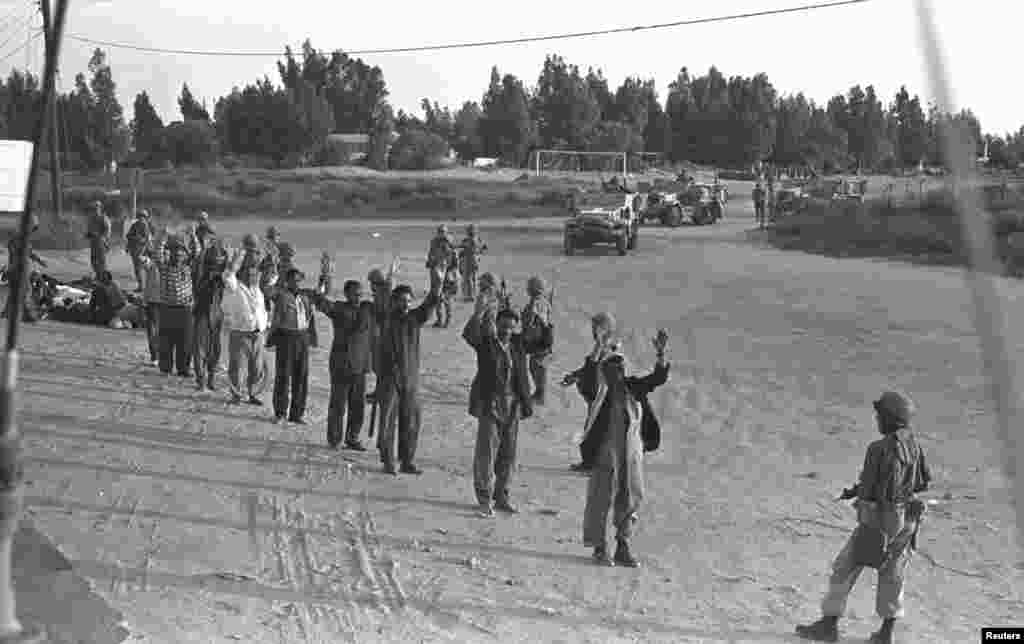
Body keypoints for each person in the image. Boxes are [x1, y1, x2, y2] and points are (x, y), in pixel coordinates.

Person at [795, 391, 931, 644]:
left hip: (881, 520)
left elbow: (869, 490)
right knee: (893, 575)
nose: (877, 419)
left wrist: (860, 496)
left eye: (880, 415)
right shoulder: (914, 444)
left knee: (844, 568)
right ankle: (885, 634)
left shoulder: (878, 448)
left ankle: (829, 625)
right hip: (907, 519)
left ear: (891, 419)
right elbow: (922, 481)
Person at [565, 327, 670, 567]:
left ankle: (623, 545)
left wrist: (661, 354)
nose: (618, 372)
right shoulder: (598, 393)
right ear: (605, 372)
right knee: (600, 500)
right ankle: (600, 548)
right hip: (605, 455)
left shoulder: (633, 388)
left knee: (631, 498)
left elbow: (657, 378)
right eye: (612, 368)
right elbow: (589, 376)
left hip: (630, 455)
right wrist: (598, 348)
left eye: (621, 368)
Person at [464, 304, 548, 516]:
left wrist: (545, 323)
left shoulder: (518, 345)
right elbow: (469, 334)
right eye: (503, 326)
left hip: (513, 405)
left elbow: (543, 344)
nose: (506, 331)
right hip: (491, 404)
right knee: (486, 453)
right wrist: (478, 314)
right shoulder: (486, 344)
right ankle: (484, 498)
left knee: (508, 454)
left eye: (511, 327)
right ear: (496, 325)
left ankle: (502, 496)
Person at [375, 266, 443, 475]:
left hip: (411, 377)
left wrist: (437, 285)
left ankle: (407, 461)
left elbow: (431, 303)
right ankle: (388, 460)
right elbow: (382, 305)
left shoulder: (414, 318)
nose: (405, 304)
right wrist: (388, 283)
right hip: (390, 378)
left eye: (408, 300)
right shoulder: (387, 318)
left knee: (411, 421)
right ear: (394, 302)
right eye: (401, 300)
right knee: (388, 421)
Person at [314, 279, 374, 450]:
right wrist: (323, 280)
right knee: (338, 404)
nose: (358, 296)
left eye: (360, 293)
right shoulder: (339, 309)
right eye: (355, 293)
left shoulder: (367, 309)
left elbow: (384, 305)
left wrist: (385, 283)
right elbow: (321, 302)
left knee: (358, 405)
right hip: (341, 364)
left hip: (360, 365)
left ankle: (352, 438)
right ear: (346, 294)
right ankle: (334, 439)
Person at [563, 312, 620, 472]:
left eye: (596, 327)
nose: (593, 331)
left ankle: (593, 464)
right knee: (594, 429)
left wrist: (579, 376)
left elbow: (595, 368)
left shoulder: (609, 348)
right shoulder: (601, 346)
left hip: (604, 398)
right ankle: (590, 462)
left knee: (598, 430)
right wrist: (575, 376)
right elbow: (588, 369)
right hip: (596, 398)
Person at [266, 267, 318, 424]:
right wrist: (273, 276)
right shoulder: (281, 294)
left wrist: (324, 274)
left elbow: (322, 292)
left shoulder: (305, 294)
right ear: (287, 281)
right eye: (293, 280)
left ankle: (297, 414)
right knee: (283, 376)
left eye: (298, 280)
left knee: (301, 377)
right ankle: (280, 413)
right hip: (286, 337)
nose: (296, 283)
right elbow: (267, 290)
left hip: (302, 337)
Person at [222, 247, 269, 406]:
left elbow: (273, 277)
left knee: (257, 367)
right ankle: (236, 395)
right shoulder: (234, 287)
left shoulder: (258, 289)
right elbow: (228, 275)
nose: (252, 276)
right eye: (249, 274)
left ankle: (252, 394)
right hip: (240, 334)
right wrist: (235, 262)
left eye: (255, 274)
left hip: (258, 334)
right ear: (242, 274)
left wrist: (272, 260)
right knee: (237, 367)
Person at [154, 234, 195, 377]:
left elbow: (196, 253)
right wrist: (162, 237)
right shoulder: (164, 268)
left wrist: (193, 236)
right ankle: (165, 368)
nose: (177, 255)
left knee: (185, 341)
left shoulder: (188, 268)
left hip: (185, 309)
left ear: (184, 255)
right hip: (167, 308)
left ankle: (183, 369)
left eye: (180, 252)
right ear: (170, 254)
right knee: (166, 340)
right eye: (174, 252)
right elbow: (157, 255)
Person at [192, 237, 228, 391]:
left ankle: (210, 379)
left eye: (218, 262)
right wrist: (204, 249)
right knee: (200, 348)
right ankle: (201, 379)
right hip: (203, 313)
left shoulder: (221, 277)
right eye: (213, 262)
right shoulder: (201, 275)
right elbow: (198, 264)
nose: (216, 265)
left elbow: (232, 269)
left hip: (217, 315)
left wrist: (226, 252)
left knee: (214, 349)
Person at [3, 215, 47, 320]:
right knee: (25, 290)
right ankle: (28, 315)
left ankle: (6, 314)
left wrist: (39, 260)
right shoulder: (18, 238)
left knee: (16, 292)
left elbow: (29, 252)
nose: (33, 231)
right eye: (33, 228)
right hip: (18, 268)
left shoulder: (23, 237)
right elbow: (15, 253)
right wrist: (11, 268)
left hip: (19, 267)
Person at [521, 276, 554, 406]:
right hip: (544, 338)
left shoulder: (534, 303)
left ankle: (541, 394)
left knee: (536, 366)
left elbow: (530, 319)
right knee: (538, 366)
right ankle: (540, 393)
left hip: (538, 339)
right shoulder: (544, 302)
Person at [425, 224, 456, 327]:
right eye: (440, 232)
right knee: (437, 297)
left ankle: (447, 320)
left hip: (446, 274)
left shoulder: (448, 242)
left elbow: (452, 258)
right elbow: (431, 254)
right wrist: (430, 261)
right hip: (437, 272)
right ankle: (440, 320)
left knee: (446, 298)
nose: (442, 234)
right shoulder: (434, 242)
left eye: (443, 232)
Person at [140, 246, 162, 366]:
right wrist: (146, 246)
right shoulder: (151, 265)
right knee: (152, 330)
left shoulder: (168, 266)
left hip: (164, 302)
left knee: (159, 331)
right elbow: (141, 258)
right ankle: (155, 356)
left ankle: (159, 356)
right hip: (152, 302)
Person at [125, 209, 153, 292]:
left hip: (142, 250)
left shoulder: (146, 226)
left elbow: (147, 239)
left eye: (143, 216)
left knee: (146, 269)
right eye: (140, 216)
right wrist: (128, 247)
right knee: (137, 269)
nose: (141, 218)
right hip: (135, 249)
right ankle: (141, 286)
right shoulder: (134, 225)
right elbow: (129, 236)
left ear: (145, 217)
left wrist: (139, 240)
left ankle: (147, 286)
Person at [459, 224, 487, 302]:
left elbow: (462, 250)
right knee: (473, 278)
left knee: (468, 279)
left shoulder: (467, 240)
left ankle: (470, 295)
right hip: (475, 260)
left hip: (469, 260)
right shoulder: (478, 239)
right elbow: (484, 248)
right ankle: (472, 295)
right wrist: (479, 254)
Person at [85, 201, 111, 279]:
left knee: (101, 261)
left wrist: (104, 238)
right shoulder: (91, 218)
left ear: (100, 208)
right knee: (93, 261)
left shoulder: (103, 217)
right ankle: (98, 275)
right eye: (94, 208)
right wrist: (88, 234)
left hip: (101, 242)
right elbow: (90, 229)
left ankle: (103, 277)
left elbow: (107, 230)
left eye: (97, 207)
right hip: (93, 242)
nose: (95, 209)